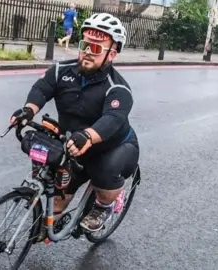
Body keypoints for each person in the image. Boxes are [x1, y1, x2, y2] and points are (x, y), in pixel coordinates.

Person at [9, 13, 139, 237]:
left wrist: (88, 136)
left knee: (103, 171)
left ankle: (106, 205)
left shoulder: (118, 88)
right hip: (73, 145)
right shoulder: (62, 70)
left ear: (112, 53)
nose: (88, 51)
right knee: (55, 206)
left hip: (112, 149)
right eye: (85, 45)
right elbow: (42, 89)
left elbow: (113, 118)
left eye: (96, 48)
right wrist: (28, 109)